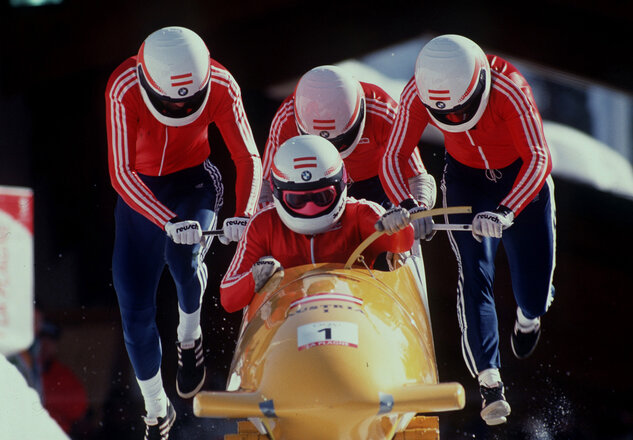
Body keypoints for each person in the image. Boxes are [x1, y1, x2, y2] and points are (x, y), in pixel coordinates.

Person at [379, 34, 556, 425]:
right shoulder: (416, 92)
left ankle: (530, 315)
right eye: (447, 115)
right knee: (474, 273)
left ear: (479, 85)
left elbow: (539, 156)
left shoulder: (511, 88)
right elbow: (392, 155)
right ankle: (490, 381)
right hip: (467, 181)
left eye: (462, 111)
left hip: (521, 182)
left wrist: (507, 211)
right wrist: (409, 206)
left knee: (534, 290)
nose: (455, 119)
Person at [105, 26, 262, 439]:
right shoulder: (123, 87)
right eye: (171, 102)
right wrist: (166, 220)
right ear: (149, 84)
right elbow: (121, 173)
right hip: (140, 195)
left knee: (184, 260)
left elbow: (247, 156)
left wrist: (244, 214)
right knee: (134, 309)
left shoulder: (223, 84)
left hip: (194, 183)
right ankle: (157, 410)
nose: (181, 107)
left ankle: (189, 336)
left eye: (190, 101)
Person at [220, 135, 414, 313]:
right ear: (278, 193)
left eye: (322, 197)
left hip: (353, 313)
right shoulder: (262, 225)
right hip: (284, 323)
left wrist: (398, 225)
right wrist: (254, 278)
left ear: (341, 185)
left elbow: (401, 244)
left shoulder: (359, 214)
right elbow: (228, 299)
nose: (310, 208)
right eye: (297, 200)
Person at [258, 65, 436, 216]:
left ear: (360, 114)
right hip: (319, 189)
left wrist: (417, 210)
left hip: (377, 184)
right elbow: (266, 184)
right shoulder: (285, 118)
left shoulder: (385, 111)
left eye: (339, 141)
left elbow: (417, 178)